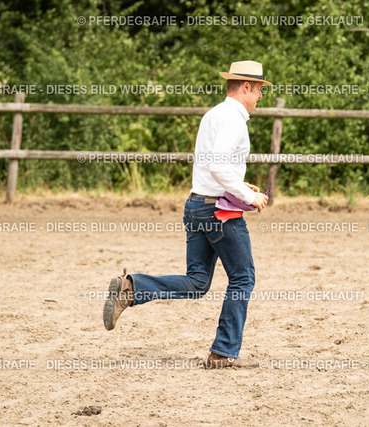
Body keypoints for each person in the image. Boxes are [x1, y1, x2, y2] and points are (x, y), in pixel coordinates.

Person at [103, 60, 272, 369]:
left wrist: (239, 183)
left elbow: (214, 165)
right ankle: (223, 353)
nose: (261, 95)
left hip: (196, 204)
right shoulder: (234, 120)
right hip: (219, 212)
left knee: (196, 282)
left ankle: (132, 288)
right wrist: (249, 196)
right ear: (246, 86)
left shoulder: (213, 115)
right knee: (243, 278)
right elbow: (218, 165)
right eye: (260, 89)